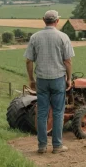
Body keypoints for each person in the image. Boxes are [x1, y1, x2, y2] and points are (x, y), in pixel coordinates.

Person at [23, 10, 75, 154]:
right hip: (58, 79)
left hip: (41, 80)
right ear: (57, 21)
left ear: (43, 20)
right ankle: (57, 146)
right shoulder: (63, 37)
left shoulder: (35, 37)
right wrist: (69, 79)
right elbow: (68, 61)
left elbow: (28, 60)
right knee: (58, 112)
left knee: (42, 113)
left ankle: (41, 146)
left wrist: (31, 79)